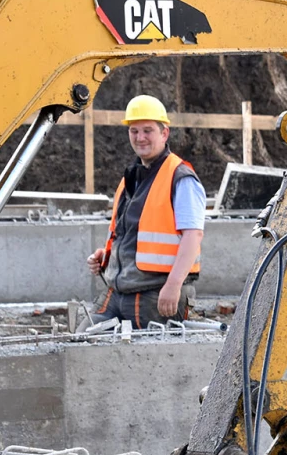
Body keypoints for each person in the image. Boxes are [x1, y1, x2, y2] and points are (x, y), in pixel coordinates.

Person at [87, 95, 205, 328]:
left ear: (164, 133)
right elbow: (133, 234)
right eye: (134, 131)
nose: (140, 138)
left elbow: (193, 236)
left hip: (157, 294)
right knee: (82, 341)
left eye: (147, 130)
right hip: (117, 291)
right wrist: (108, 256)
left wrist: (173, 286)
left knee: (148, 360)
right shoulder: (132, 176)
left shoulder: (180, 177)